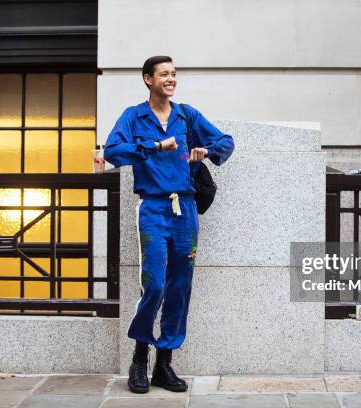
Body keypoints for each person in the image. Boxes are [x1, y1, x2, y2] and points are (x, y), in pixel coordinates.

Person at [104, 56, 234, 394]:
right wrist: (155, 145)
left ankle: (164, 363)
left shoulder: (186, 115)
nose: (171, 79)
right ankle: (139, 358)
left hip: (186, 212)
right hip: (153, 210)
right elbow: (114, 151)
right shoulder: (134, 117)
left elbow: (226, 142)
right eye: (164, 74)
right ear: (148, 79)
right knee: (156, 284)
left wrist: (205, 151)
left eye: (174, 74)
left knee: (180, 287)